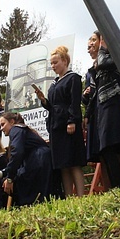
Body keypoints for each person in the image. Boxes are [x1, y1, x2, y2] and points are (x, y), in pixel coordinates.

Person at [34, 46, 87, 196]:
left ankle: (81, 196)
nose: (53, 66)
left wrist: (72, 121)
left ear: (65, 61)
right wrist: (43, 100)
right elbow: (52, 106)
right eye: (51, 63)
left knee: (74, 162)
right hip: (55, 126)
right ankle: (69, 196)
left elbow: (74, 102)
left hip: (68, 125)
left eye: (55, 62)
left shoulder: (73, 78)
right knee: (63, 164)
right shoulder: (54, 82)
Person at [88, 32, 120, 187]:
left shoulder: (112, 56)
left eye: (94, 40)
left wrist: (103, 48)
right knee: (104, 151)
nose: (91, 44)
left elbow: (105, 64)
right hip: (100, 109)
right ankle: (111, 189)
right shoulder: (94, 66)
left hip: (112, 104)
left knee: (114, 147)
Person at [0, 112, 52, 206]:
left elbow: (17, 154)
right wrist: (2, 173)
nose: (1, 128)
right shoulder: (23, 130)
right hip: (42, 160)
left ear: (12, 122)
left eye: (3, 124)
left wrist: (10, 178)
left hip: (37, 161)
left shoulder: (15, 129)